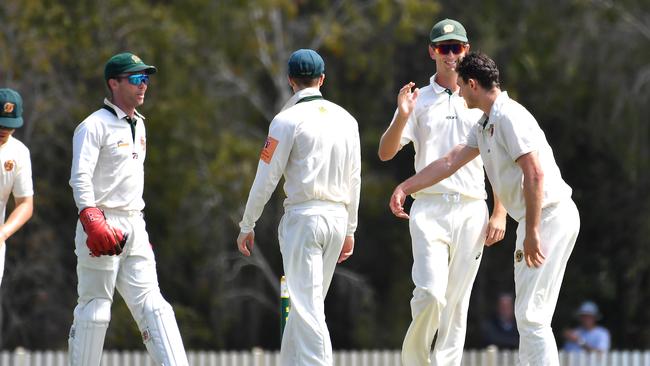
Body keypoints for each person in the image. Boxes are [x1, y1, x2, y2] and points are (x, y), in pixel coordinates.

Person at [389, 52, 580, 366]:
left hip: (549, 217)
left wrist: (532, 231)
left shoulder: (509, 116)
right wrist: (406, 187)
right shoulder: (486, 123)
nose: (459, 92)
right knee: (529, 314)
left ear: (473, 84)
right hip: (537, 218)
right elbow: (450, 161)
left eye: (462, 86)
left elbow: (535, 174)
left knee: (532, 315)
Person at [378, 18, 506, 366]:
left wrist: (499, 211)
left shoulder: (479, 97)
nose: (450, 55)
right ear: (432, 52)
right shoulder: (418, 99)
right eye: (443, 48)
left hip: (471, 207)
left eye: (457, 48)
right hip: (429, 208)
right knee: (431, 293)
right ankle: (416, 361)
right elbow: (386, 152)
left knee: (457, 301)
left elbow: (500, 159)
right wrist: (402, 116)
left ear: (466, 50)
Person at [236, 48, 361, 366]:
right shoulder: (347, 120)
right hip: (337, 218)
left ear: (290, 80)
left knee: (307, 310)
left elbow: (266, 177)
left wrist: (247, 224)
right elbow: (354, 179)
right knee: (307, 305)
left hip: (304, 218)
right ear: (322, 79)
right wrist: (350, 229)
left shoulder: (285, 120)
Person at [68, 52, 188, 366]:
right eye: (135, 79)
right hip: (101, 222)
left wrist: (138, 229)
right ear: (113, 83)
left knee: (154, 306)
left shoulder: (140, 126)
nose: (143, 86)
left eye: (145, 79)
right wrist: (91, 219)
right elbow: (79, 177)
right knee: (96, 309)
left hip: (134, 224)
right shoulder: (93, 126)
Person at [0, 88, 34, 286]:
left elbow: (25, 203)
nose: (3, 130)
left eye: (9, 126)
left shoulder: (19, 152)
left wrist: (3, 233)